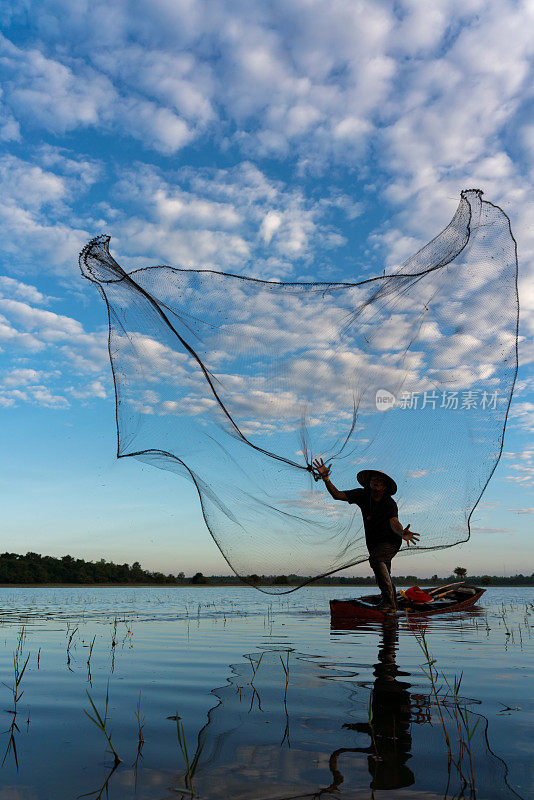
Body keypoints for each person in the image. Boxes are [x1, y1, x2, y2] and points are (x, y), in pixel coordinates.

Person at [312, 459, 420, 611]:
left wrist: (402, 532)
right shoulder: (362, 495)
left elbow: (394, 522)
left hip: (391, 540)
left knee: (376, 559)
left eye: (380, 480)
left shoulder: (389, 503)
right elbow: (337, 495)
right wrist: (326, 478)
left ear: (384, 486)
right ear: (369, 483)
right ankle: (392, 604)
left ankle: (388, 603)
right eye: (374, 479)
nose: (376, 481)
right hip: (373, 542)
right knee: (383, 571)